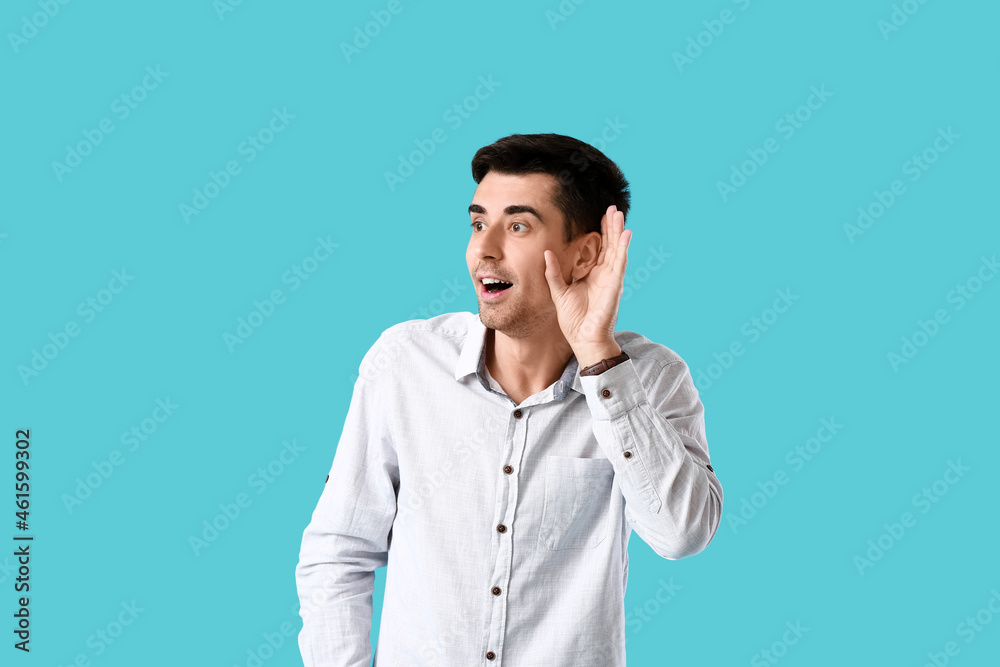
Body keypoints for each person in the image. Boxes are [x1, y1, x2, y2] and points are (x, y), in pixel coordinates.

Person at [295, 133, 723, 666]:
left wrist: (598, 356)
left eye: (517, 226)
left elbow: (682, 534)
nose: (484, 249)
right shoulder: (404, 364)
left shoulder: (651, 378)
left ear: (586, 253)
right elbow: (337, 551)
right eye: (478, 223)